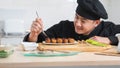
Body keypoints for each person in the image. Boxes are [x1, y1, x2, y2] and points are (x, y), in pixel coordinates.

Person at [24, 0, 120, 45]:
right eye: (76, 17)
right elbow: (43, 40)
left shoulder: (108, 29)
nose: (77, 24)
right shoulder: (63, 27)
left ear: (96, 23)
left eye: (83, 21)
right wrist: (33, 35)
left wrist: (110, 40)